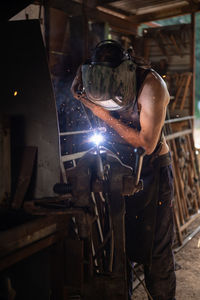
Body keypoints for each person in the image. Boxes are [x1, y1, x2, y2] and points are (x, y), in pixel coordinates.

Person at [71, 40, 176, 300]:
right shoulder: (91, 76)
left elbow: (147, 144)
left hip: (152, 172)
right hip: (116, 170)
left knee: (155, 251)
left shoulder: (151, 86)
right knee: (119, 247)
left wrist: (99, 111)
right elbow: (78, 92)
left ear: (125, 71)